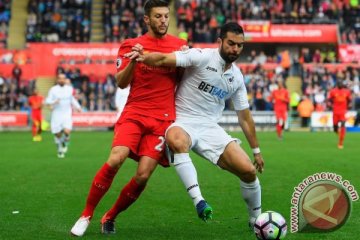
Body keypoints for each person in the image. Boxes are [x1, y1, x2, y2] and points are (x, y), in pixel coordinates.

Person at [127, 22, 264, 227]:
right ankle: (199, 201)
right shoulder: (201, 56)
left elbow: (244, 117)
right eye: (231, 43)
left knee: (248, 171)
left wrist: (256, 150)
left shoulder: (236, 78)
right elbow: (165, 58)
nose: (235, 49)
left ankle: (256, 220)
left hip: (210, 127)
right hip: (183, 121)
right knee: (176, 139)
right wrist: (143, 56)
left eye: (239, 45)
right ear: (220, 41)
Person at [70, 0, 187, 237]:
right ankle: (86, 214)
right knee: (116, 158)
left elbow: (184, 81)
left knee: (143, 176)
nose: (163, 21)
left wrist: (185, 60)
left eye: (166, 16)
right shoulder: (130, 45)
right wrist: (134, 59)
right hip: (135, 113)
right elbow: (121, 82)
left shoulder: (180, 45)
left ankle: (110, 216)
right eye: (158, 16)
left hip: (163, 119)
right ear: (147, 19)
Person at [45, 73, 81, 158]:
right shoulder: (53, 90)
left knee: (67, 131)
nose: (62, 80)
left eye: (63, 78)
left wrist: (78, 107)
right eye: (60, 78)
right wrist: (54, 102)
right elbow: (48, 100)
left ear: (65, 80)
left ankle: (64, 142)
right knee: (57, 134)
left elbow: (72, 99)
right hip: (56, 114)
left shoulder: (69, 89)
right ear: (57, 80)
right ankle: (60, 148)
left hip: (66, 114)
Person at [327, 80, 352, 149]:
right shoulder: (333, 91)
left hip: (343, 112)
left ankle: (340, 143)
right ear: (337, 85)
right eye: (339, 84)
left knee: (343, 125)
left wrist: (350, 104)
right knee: (335, 129)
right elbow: (329, 99)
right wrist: (329, 103)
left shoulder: (347, 92)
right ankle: (339, 134)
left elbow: (349, 99)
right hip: (335, 112)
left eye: (341, 84)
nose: (341, 85)